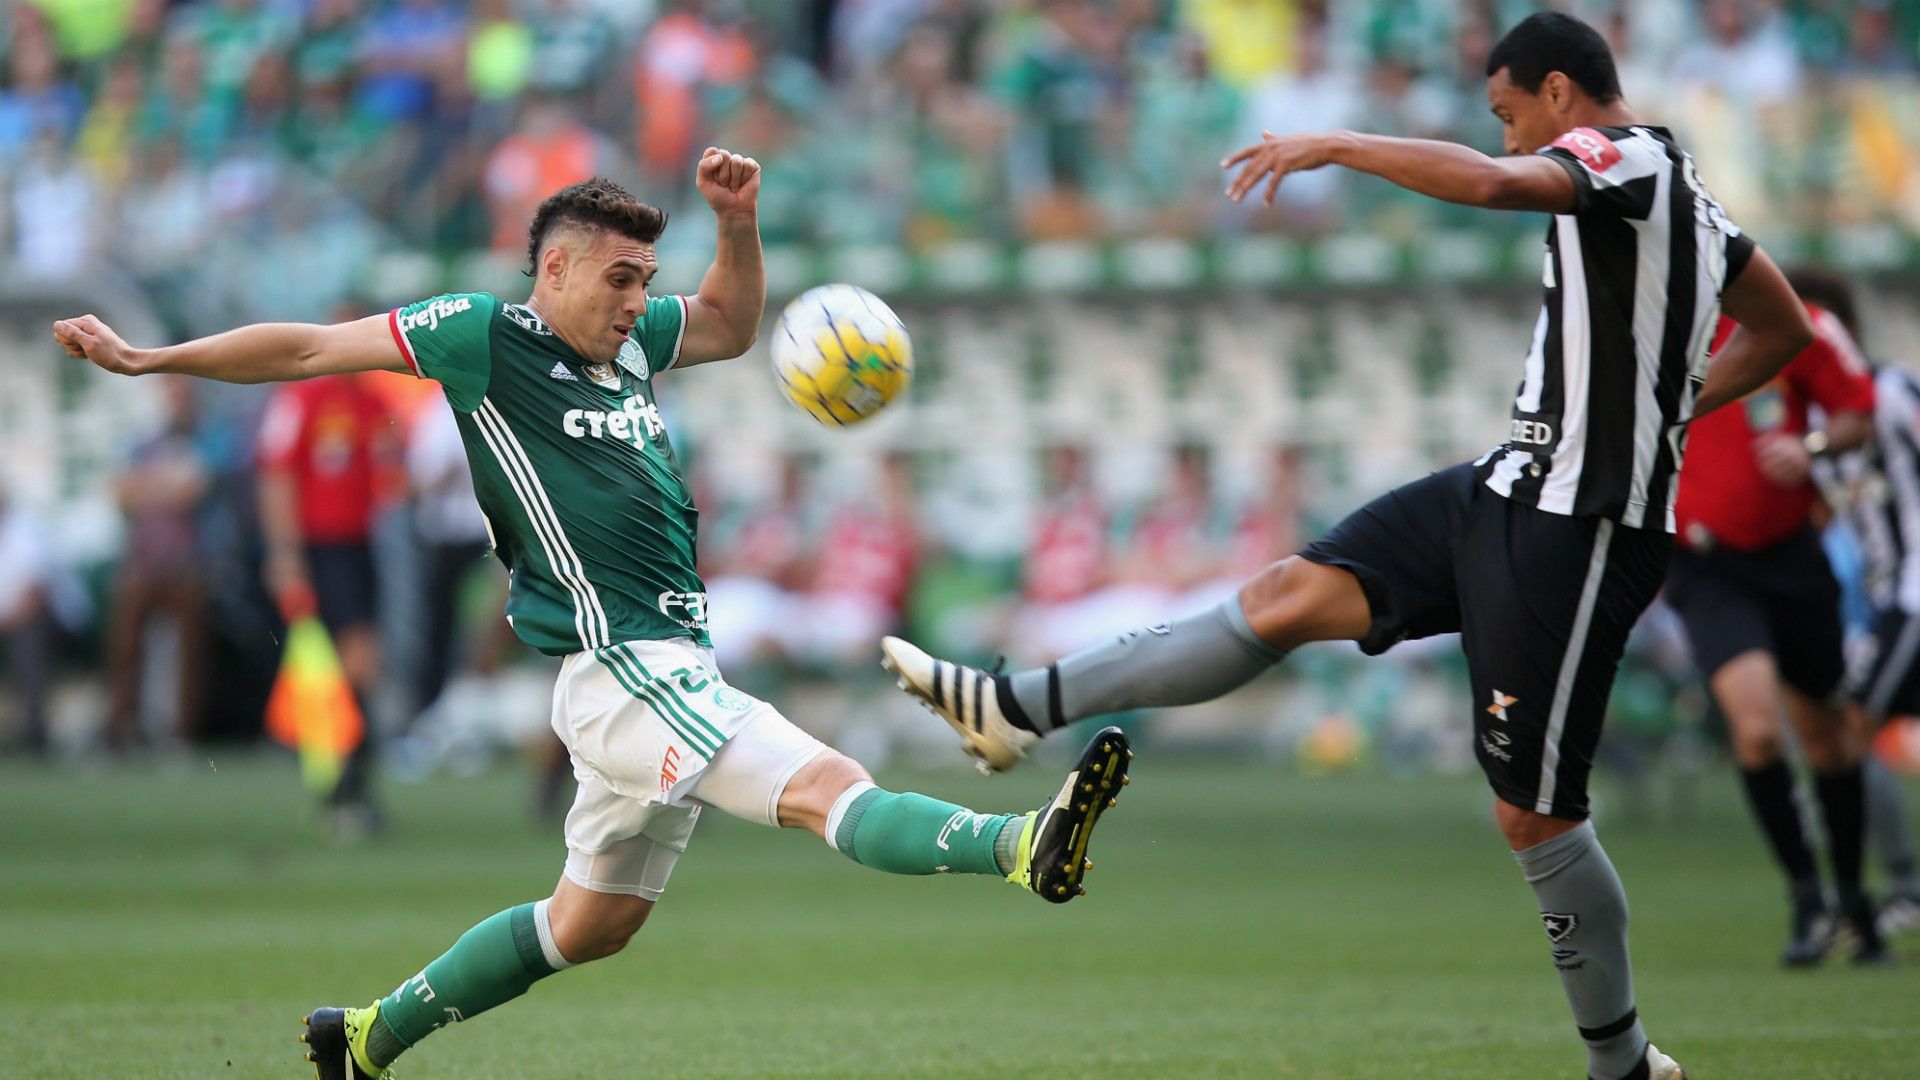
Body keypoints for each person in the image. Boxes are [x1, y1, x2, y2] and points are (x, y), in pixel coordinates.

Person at [54, 153, 1131, 1080]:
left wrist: (737, 222)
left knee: (590, 924)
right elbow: (303, 350)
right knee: (823, 788)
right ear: (554, 267)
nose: (636, 300)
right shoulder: (484, 336)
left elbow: (729, 321)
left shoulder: (625, 349)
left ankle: (370, 1039)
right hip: (623, 665)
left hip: (652, 668)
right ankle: (1019, 844)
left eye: (644, 280)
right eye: (620, 279)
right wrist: (154, 360)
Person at [881, 14, 1817, 1080]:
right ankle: (1012, 709)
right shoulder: (1690, 203)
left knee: (1534, 814)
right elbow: (1779, 327)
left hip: (1581, 528)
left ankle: (1623, 1063)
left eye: (1510, 116)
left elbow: (1508, 189)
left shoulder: (1627, 156)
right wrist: (1679, 400)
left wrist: (1338, 143)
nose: (1511, 142)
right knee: (1285, 595)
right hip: (1502, 487)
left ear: (1560, 92)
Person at [1663, 272, 1886, 966]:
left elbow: (1857, 413)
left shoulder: (1800, 324)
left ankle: (1853, 898)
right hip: (1704, 564)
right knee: (1756, 731)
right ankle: (1806, 897)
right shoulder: (1657, 330)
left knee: (1829, 741)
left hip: (1791, 558)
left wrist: (1812, 449)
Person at [1798, 269, 1920, 940]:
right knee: (1845, 731)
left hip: (1914, 590)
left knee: (1849, 729)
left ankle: (1898, 887)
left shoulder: (1893, 391)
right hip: (1885, 597)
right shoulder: (1818, 418)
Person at [256, 346, 401, 841]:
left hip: (362, 547)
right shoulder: (302, 399)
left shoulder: (372, 403)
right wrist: (285, 554)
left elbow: (391, 473)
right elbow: (277, 475)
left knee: (356, 666)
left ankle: (348, 788)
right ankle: (345, 787)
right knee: (345, 665)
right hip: (319, 548)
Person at [103, 375, 211, 749]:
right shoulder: (141, 440)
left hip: (186, 562)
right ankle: (120, 731)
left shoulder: (206, 436)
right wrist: (166, 486)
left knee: (187, 653)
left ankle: (179, 734)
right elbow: (120, 492)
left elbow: (192, 491)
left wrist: (146, 486)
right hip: (143, 559)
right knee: (125, 647)